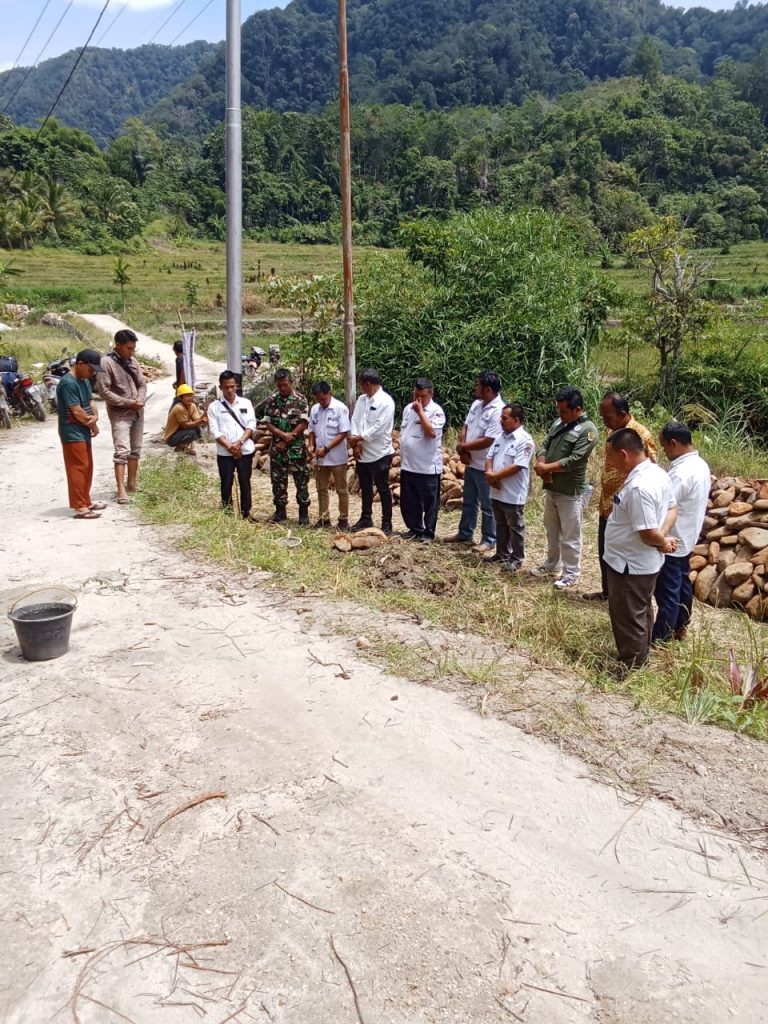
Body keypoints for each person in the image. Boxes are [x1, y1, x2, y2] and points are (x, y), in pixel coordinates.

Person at [603, 428, 678, 670]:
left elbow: (647, 534)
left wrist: (661, 540)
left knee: (628, 617)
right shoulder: (658, 473)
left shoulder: (639, 487)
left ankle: (631, 667)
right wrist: (663, 537)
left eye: (610, 456)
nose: (610, 462)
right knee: (641, 611)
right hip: (640, 562)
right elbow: (672, 508)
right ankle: (641, 657)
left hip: (630, 565)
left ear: (623, 454)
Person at [582, 392, 658, 602]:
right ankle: (607, 591)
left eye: (607, 417)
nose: (604, 421)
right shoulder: (613, 431)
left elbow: (651, 467)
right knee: (605, 548)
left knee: (623, 552)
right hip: (606, 503)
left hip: (627, 505)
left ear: (623, 414)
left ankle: (621, 595)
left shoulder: (641, 435)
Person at [532, 385, 599, 589]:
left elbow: (575, 459)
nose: (560, 414)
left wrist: (546, 468)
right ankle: (552, 564)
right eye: (558, 410)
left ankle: (571, 573)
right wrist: (542, 464)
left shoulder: (588, 430)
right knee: (552, 530)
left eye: (564, 411)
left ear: (577, 409)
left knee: (571, 534)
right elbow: (545, 444)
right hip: (552, 486)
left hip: (570, 491)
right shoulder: (559, 423)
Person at [652, 422, 711, 644]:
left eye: (664, 446)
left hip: (673, 538)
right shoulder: (700, 465)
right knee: (682, 584)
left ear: (674, 443)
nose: (664, 451)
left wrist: (658, 536)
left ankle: (662, 637)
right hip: (687, 535)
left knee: (668, 590)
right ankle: (681, 626)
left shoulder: (681, 473)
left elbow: (666, 505)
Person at [443, 371, 505, 554]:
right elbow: (466, 426)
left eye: (478, 385)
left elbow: (489, 440)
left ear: (488, 389)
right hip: (471, 462)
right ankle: (465, 533)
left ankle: (488, 539)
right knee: (469, 501)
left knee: (488, 505)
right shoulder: (477, 404)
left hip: (486, 466)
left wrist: (463, 447)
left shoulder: (499, 410)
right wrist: (463, 448)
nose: (475, 388)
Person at [484, 403, 534, 571]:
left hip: (513, 493)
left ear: (516, 420)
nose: (501, 421)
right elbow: (489, 457)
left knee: (515, 527)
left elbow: (518, 465)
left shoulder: (524, 440)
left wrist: (494, 476)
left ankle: (516, 558)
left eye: (505, 418)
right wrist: (489, 473)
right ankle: (501, 554)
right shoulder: (500, 437)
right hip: (496, 490)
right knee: (500, 524)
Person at [99, 328, 146, 504]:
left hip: (137, 411)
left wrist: (138, 401)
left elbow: (142, 384)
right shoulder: (105, 363)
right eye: (129, 348)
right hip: (120, 414)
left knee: (135, 450)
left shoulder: (133, 361)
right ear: (117, 345)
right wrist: (128, 403)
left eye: (133, 348)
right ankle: (121, 490)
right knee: (121, 452)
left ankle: (132, 484)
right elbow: (104, 391)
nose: (131, 352)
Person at [57, 350, 106, 519]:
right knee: (78, 467)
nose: (92, 372)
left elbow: (90, 401)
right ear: (80, 364)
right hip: (72, 431)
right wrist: (92, 424)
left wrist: (95, 417)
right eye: (90, 368)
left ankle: (86, 500)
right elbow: (76, 411)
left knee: (87, 465)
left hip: (84, 428)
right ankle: (80, 506)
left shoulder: (84, 381)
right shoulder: (68, 383)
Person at [348, 368, 396, 534]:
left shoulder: (386, 401)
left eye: (361, 385)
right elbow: (355, 420)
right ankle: (366, 518)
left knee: (383, 488)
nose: (361, 388)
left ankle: (387, 523)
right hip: (362, 453)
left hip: (380, 453)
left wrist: (359, 438)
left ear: (368, 384)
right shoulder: (362, 400)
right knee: (366, 487)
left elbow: (379, 427)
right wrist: (356, 443)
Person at [399, 378, 446, 543]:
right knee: (409, 501)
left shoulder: (436, 411)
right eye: (416, 395)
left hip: (427, 466)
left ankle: (428, 532)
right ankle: (415, 528)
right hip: (408, 464)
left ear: (431, 394)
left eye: (422, 396)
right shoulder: (408, 409)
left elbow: (431, 433)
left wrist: (420, 412)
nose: (418, 399)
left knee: (430, 502)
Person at [263, 368, 310, 524]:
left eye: (285, 384)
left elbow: (304, 423)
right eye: (279, 385)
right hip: (278, 450)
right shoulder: (271, 400)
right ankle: (280, 511)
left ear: (291, 382)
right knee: (278, 482)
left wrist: (289, 437)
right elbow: (268, 423)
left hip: (296, 450)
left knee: (301, 482)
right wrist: (282, 436)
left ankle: (303, 514)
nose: (282, 388)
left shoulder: (300, 399)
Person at [207, 371, 257, 519]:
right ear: (220, 387)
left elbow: (251, 424)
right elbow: (214, 431)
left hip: (244, 450)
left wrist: (239, 443)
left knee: (245, 482)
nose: (229, 390)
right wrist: (230, 447)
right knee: (226, 482)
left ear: (237, 386)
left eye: (232, 386)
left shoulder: (246, 403)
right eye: (226, 387)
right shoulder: (214, 407)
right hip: (225, 452)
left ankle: (246, 513)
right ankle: (227, 513)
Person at [308, 381, 351, 530]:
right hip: (320, 458)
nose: (322, 402)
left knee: (341, 489)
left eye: (324, 398)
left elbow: (343, 433)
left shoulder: (340, 408)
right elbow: (311, 430)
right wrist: (311, 445)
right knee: (321, 489)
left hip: (337, 457)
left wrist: (326, 448)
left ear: (329, 393)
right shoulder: (315, 409)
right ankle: (324, 518)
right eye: (318, 399)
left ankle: (343, 519)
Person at [164, 384, 207, 453]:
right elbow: (185, 425)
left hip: (180, 432)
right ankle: (179, 448)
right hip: (171, 438)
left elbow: (197, 420)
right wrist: (201, 421)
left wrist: (205, 415)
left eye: (190, 396)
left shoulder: (192, 406)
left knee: (197, 430)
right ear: (180, 398)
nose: (189, 398)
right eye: (187, 396)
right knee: (192, 432)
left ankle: (184, 447)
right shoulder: (179, 408)